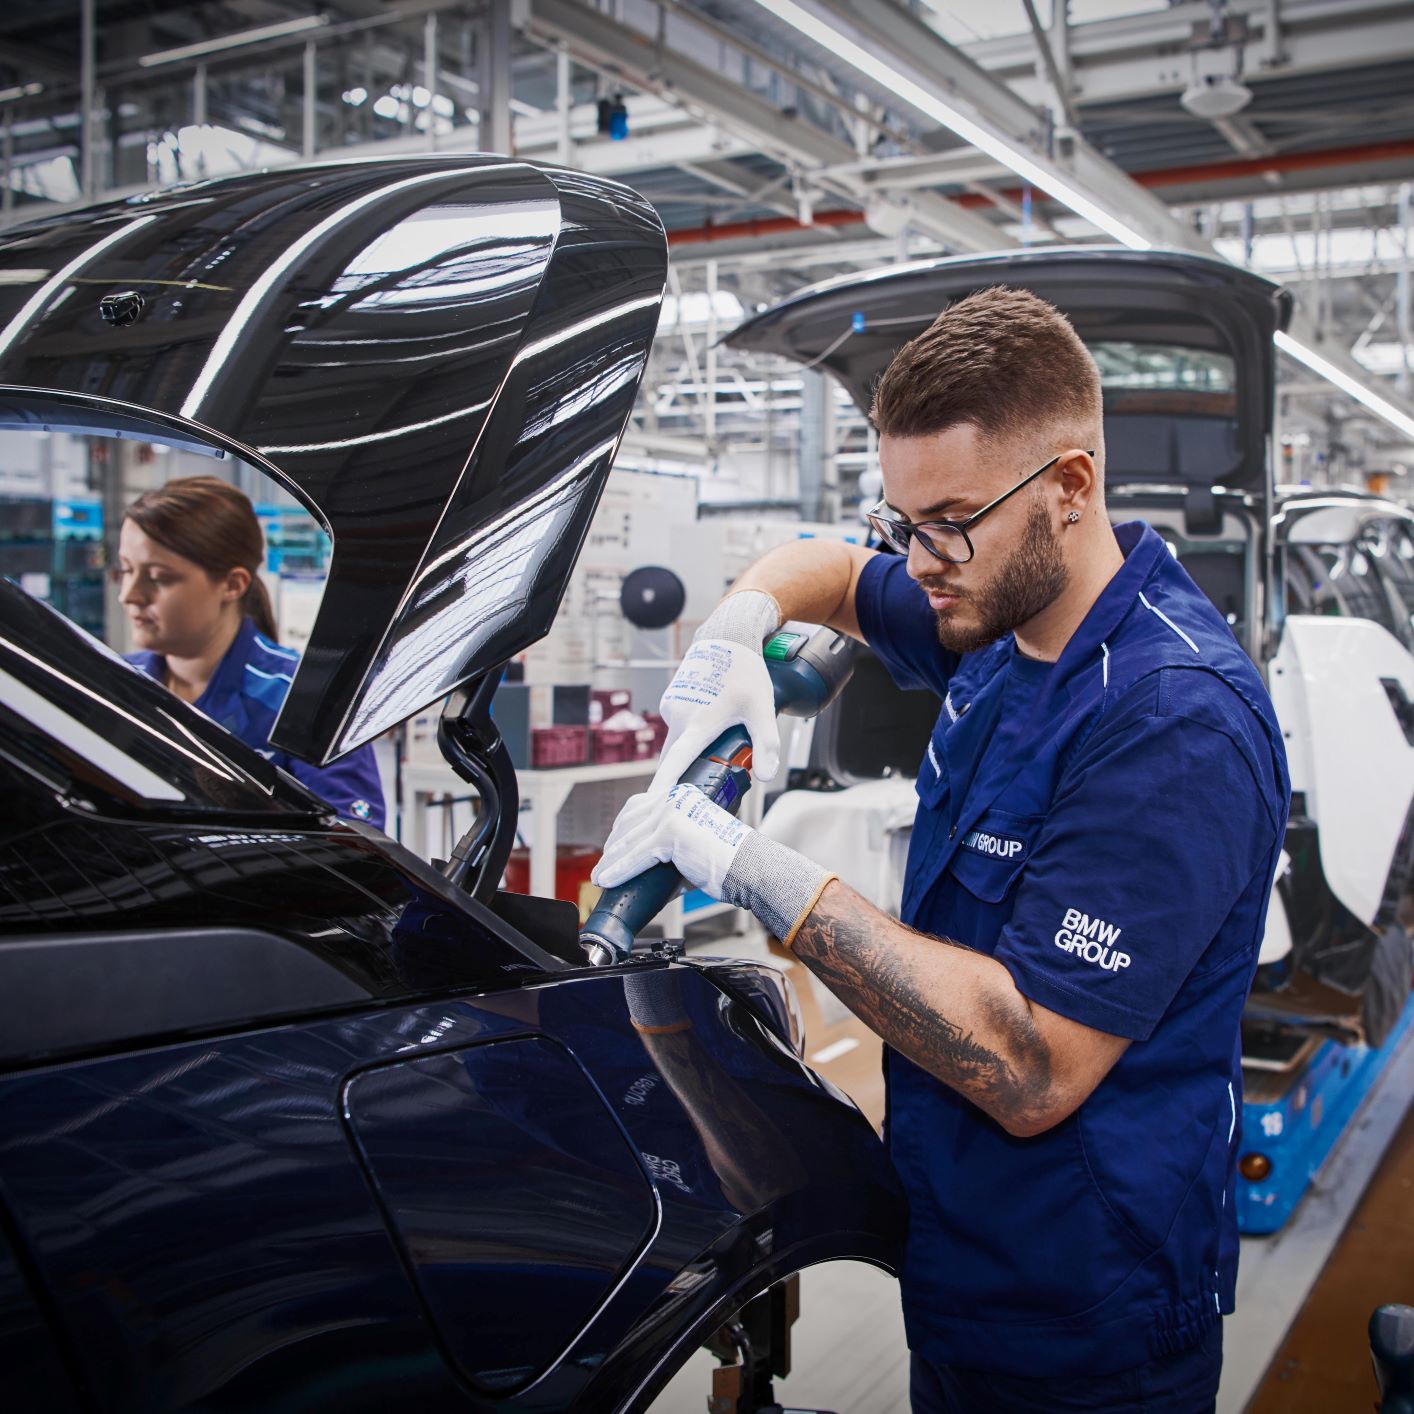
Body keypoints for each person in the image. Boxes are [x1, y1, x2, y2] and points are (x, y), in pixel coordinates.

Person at [593, 286, 1289, 1413]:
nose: (919, 559)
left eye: (948, 518)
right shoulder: (995, 613)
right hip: (961, 1253)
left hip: (1085, 1309)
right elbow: (827, 568)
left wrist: (747, 864)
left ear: (1068, 487)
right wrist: (733, 630)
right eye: (903, 519)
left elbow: (1027, 1067)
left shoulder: (1171, 721)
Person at [118, 475, 386, 829]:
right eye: (125, 570)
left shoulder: (301, 699)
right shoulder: (118, 684)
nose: (129, 595)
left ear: (232, 584)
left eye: (158, 577)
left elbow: (358, 842)